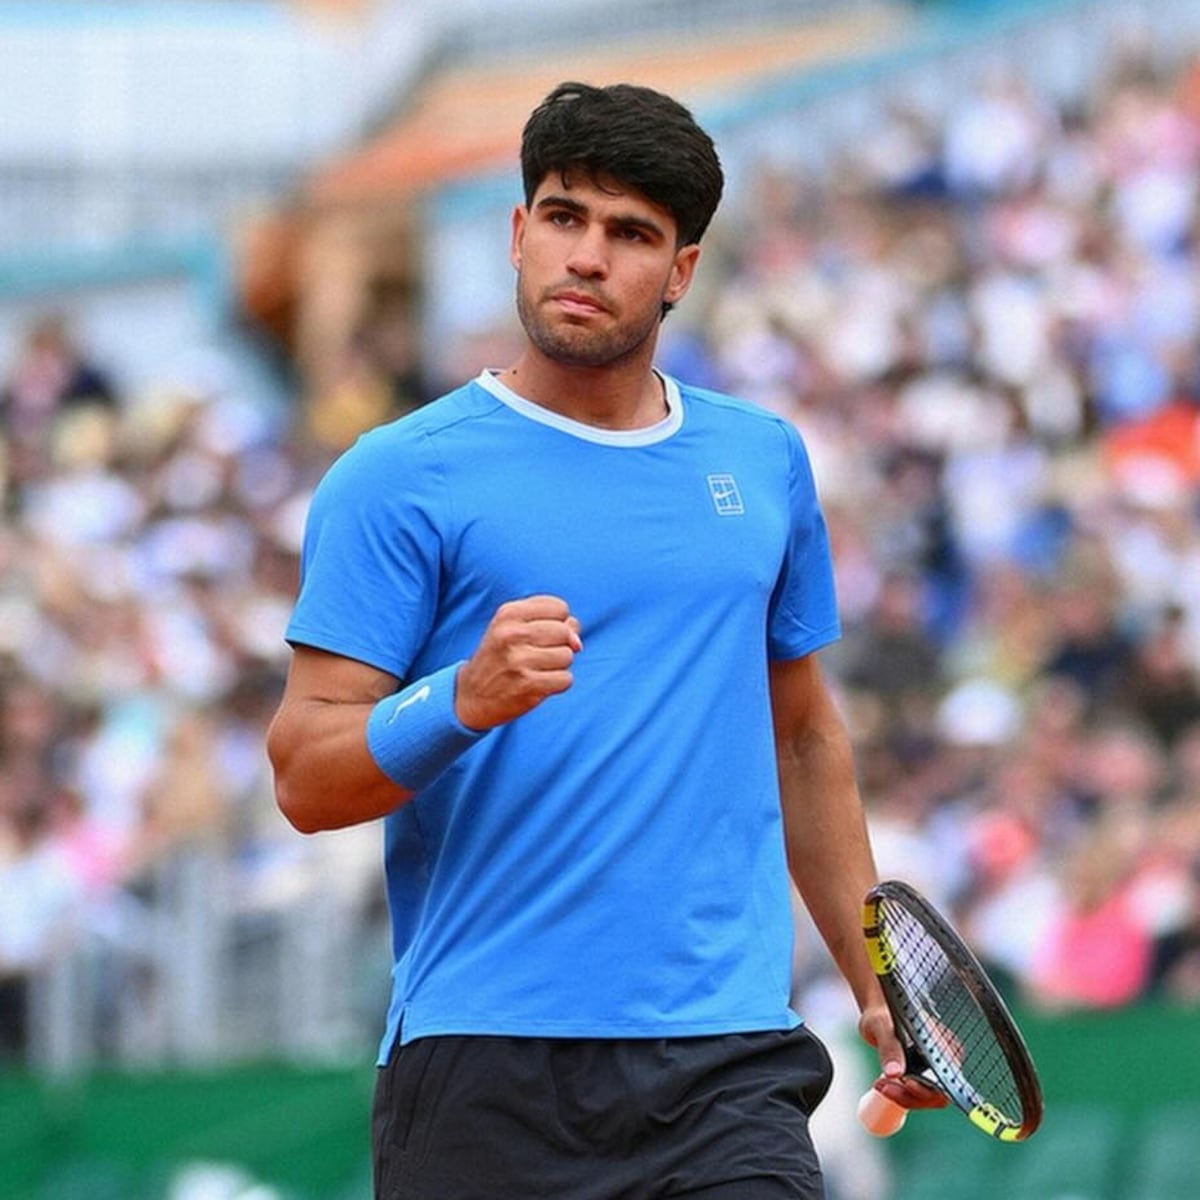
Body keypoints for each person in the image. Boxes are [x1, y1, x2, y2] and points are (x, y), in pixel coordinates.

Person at [268, 80, 942, 1200]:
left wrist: (876, 976)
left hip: (725, 1068)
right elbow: (303, 776)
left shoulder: (763, 460)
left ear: (680, 272)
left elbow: (807, 738)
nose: (588, 256)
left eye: (632, 234)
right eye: (565, 217)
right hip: (484, 1068)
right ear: (518, 232)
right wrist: (461, 699)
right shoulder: (395, 477)